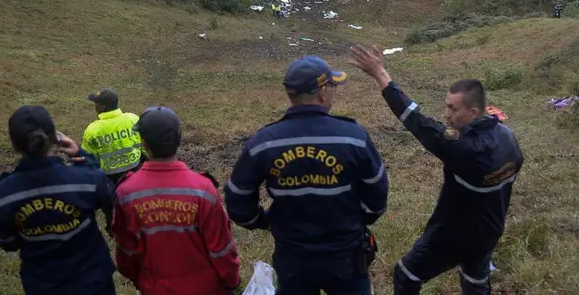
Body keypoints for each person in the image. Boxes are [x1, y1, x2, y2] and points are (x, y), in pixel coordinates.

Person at [348, 45, 524, 295]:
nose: (446, 114)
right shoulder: (508, 138)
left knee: (405, 274)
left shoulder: (464, 150)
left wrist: (379, 74)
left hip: (454, 236)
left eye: (453, 109)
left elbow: (416, 120)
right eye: (447, 106)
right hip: (490, 232)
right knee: (475, 280)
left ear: (473, 112)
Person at [225, 55, 389, 295]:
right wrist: (358, 220)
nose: (334, 92)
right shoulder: (353, 137)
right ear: (322, 92)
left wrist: (263, 221)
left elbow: (237, 198)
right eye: (333, 86)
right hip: (346, 255)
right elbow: (377, 193)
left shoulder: (264, 142)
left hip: (293, 257)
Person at [0, 105, 116, 295]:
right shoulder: (86, 180)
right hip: (94, 282)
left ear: (15, 145)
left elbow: (7, 242)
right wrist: (82, 155)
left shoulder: (1, 196)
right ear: (55, 138)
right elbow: (108, 194)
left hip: (42, 286)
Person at [112, 106, 241, 295]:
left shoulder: (126, 193)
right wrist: (232, 281)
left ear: (144, 143)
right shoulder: (203, 189)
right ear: (179, 140)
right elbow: (221, 249)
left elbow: (126, 253)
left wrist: (141, 281)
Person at [82, 87, 143, 185]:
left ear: (102, 107)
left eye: (96, 104)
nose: (95, 107)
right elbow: (144, 146)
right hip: (135, 172)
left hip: (109, 179)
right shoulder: (133, 119)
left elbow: (89, 158)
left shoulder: (93, 130)